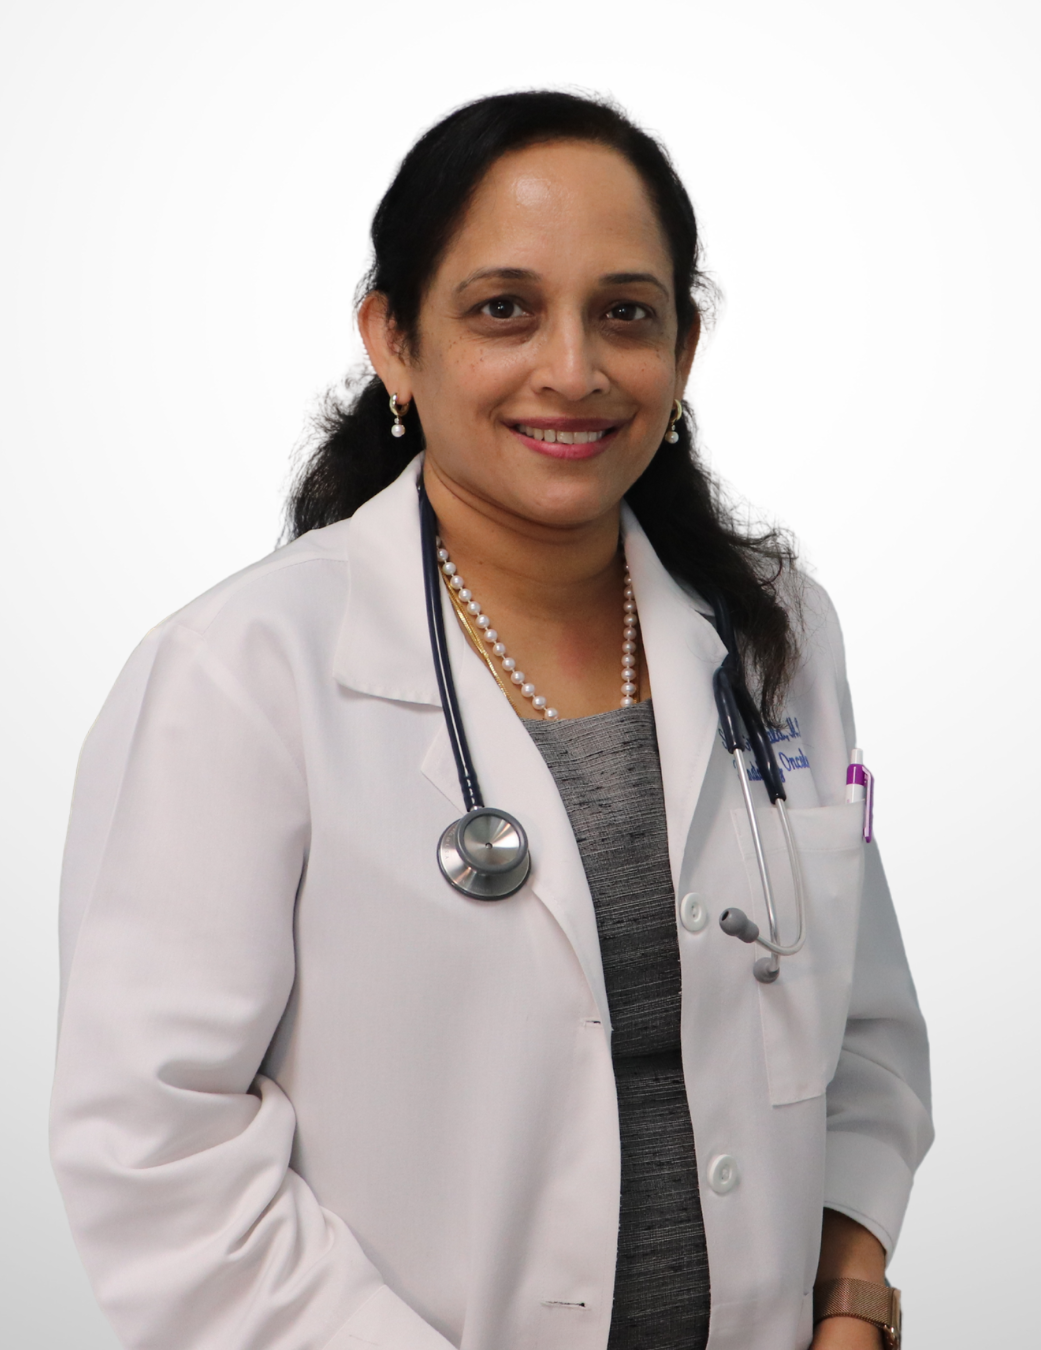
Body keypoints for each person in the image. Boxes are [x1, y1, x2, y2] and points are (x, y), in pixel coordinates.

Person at [50, 91, 932, 1350]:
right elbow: (156, 1144)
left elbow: (865, 1037)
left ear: (683, 348)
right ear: (394, 341)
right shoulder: (240, 674)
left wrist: (849, 1296)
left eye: (625, 313)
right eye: (504, 310)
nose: (572, 370)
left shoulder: (773, 632)